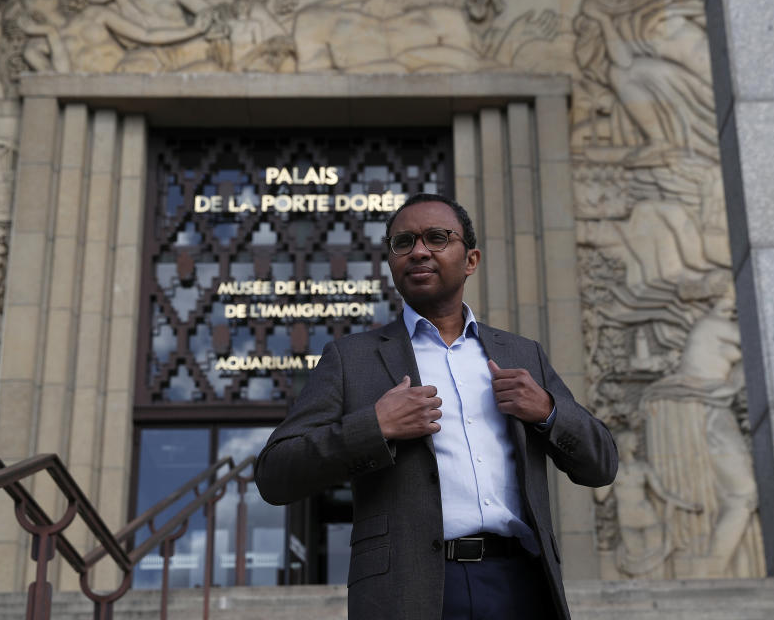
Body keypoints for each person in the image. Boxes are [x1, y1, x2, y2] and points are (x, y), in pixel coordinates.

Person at [255, 193, 618, 620]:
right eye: (403, 242)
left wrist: (548, 411)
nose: (419, 251)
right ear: (391, 263)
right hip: (408, 590)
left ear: (471, 260)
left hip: (521, 583)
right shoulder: (351, 359)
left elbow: (602, 464)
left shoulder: (522, 354)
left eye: (437, 237)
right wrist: (374, 426)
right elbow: (275, 474)